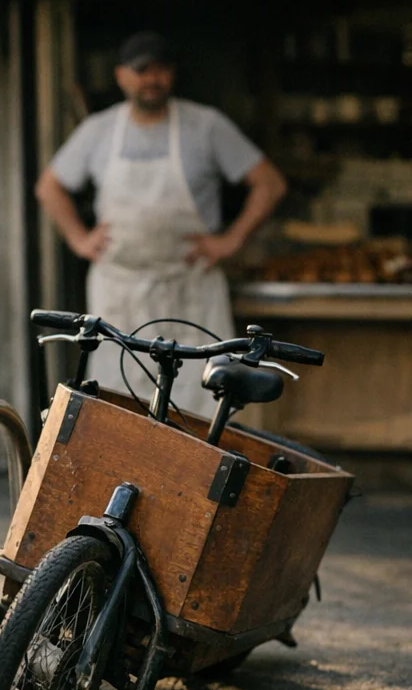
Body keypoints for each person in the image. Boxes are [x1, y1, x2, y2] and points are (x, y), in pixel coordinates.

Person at [35, 32, 287, 418]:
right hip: (119, 294)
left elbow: (269, 184)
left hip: (190, 291)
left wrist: (230, 241)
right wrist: (80, 240)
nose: (152, 79)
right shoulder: (98, 131)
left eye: (161, 70)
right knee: (119, 407)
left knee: (199, 406)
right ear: (122, 76)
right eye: (142, 70)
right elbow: (49, 187)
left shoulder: (206, 126)